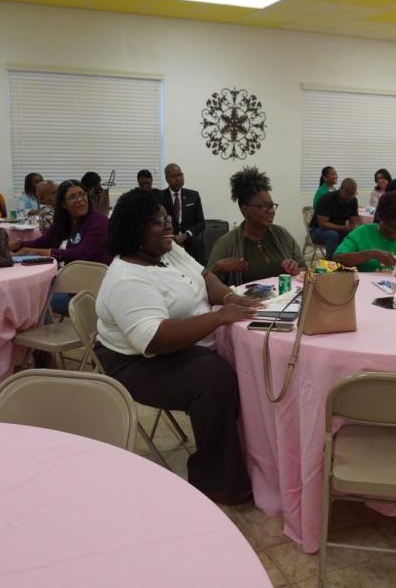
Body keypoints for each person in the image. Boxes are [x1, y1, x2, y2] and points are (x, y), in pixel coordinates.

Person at [94, 188, 258, 504]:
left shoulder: (165, 251)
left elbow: (203, 276)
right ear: (135, 230)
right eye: (158, 223)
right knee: (214, 380)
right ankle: (215, 479)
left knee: (237, 362)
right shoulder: (128, 279)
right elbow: (155, 340)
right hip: (134, 362)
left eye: (167, 219)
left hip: (176, 345)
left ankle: (249, 454)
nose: (169, 227)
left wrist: (227, 297)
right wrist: (218, 318)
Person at [207, 167, 305, 286]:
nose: (271, 211)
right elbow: (207, 284)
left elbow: (304, 269)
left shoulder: (281, 234)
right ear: (245, 209)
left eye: (272, 206)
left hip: (284, 301)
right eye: (264, 206)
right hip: (246, 303)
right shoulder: (227, 244)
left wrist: (295, 271)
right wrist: (219, 268)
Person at [9, 180, 111, 265]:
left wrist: (37, 252)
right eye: (72, 197)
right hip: (67, 274)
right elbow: (43, 242)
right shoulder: (63, 222)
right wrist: (18, 244)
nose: (80, 200)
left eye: (82, 194)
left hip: (90, 278)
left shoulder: (98, 221)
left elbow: (82, 254)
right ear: (63, 204)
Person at [335, 190, 396, 272]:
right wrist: (372, 254)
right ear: (382, 219)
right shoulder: (362, 233)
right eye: (394, 227)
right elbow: (338, 259)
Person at [161, 163, 206, 263]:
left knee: (197, 244)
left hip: (189, 237)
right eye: (174, 176)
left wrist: (185, 235)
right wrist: (173, 238)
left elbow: (201, 223)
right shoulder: (160, 197)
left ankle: (202, 276)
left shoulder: (193, 195)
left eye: (180, 175)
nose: (178, 178)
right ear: (167, 179)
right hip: (170, 238)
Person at [312, 177, 360, 259]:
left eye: (353, 194)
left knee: (355, 234)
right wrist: (343, 228)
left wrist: (354, 227)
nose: (351, 196)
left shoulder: (353, 200)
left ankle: (351, 262)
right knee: (333, 234)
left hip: (339, 230)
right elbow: (323, 224)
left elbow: (354, 221)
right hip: (318, 230)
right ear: (341, 189)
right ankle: (331, 263)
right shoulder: (326, 199)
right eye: (348, 193)